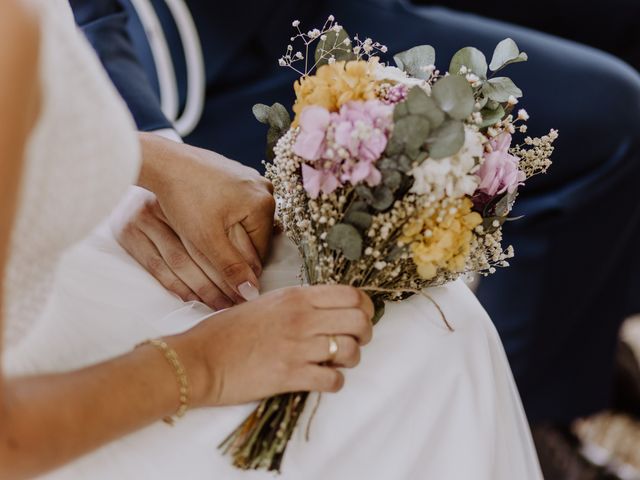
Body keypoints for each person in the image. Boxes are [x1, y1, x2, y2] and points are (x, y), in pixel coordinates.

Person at [69, 0, 640, 476]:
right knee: (611, 118)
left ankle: (577, 335)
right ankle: (534, 406)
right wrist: (146, 156)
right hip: (204, 49)